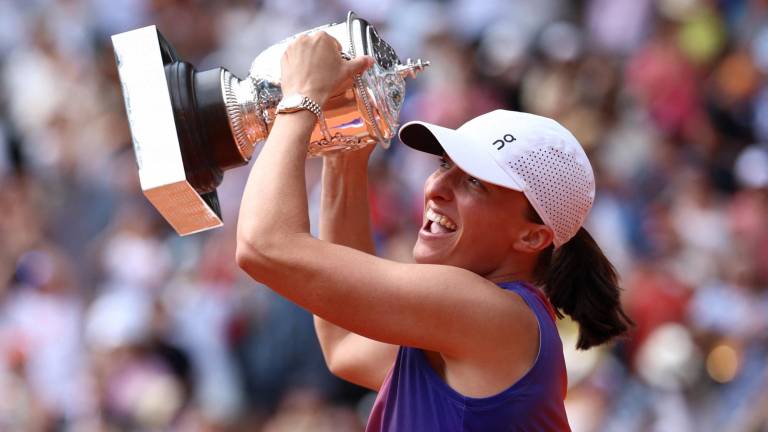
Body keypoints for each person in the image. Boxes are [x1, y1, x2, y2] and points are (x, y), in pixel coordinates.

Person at [236, 31, 632, 432]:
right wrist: (344, 150)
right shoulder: (474, 323)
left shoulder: (490, 312)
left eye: (475, 183)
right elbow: (345, 344)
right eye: (445, 165)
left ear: (531, 237)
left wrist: (301, 99)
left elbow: (264, 245)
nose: (436, 188)